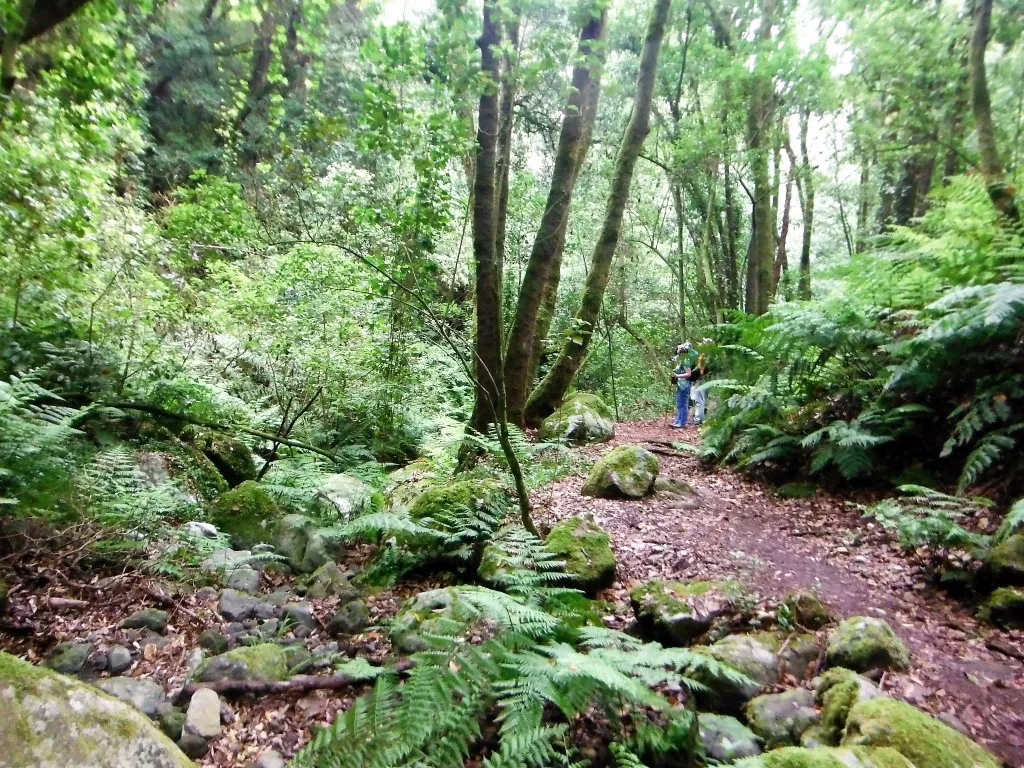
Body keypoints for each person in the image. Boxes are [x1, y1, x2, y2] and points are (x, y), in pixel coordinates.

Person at [671, 341, 699, 428]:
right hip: (681, 384)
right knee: (680, 403)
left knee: (683, 403)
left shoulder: (686, 361)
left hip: (685, 384)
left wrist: (677, 375)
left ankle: (682, 423)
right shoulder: (683, 359)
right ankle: (678, 421)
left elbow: (688, 373)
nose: (678, 352)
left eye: (679, 351)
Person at [692, 337, 712, 426]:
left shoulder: (704, 357)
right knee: (704, 399)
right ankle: (702, 418)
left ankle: (698, 419)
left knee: (699, 400)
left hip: (701, 380)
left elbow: (701, 369)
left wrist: (698, 377)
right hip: (708, 380)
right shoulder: (711, 356)